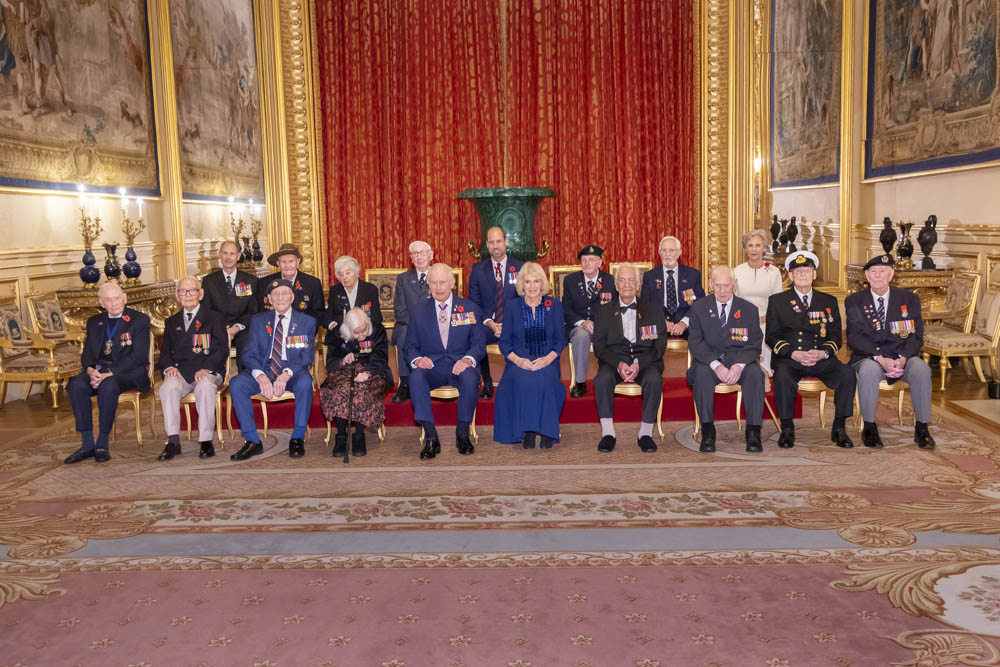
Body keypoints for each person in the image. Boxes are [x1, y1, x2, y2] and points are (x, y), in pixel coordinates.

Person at [766, 251, 855, 449]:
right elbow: (772, 336)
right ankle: (787, 428)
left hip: (821, 358)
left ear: (814, 274)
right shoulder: (778, 301)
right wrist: (793, 353)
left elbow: (834, 337)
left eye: (807, 270)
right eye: (798, 272)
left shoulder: (828, 301)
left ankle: (839, 427)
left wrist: (823, 353)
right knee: (781, 376)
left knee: (847, 373)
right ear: (790, 276)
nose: (803, 275)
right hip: (791, 359)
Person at [845, 254, 935, 450]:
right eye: (873, 272)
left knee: (921, 369)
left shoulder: (909, 299)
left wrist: (902, 359)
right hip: (870, 356)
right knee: (868, 372)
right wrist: (880, 358)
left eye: (882, 271)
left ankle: (922, 428)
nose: (878, 276)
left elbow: (916, 336)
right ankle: (869, 427)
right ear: (867, 277)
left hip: (903, 356)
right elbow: (854, 337)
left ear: (891, 274)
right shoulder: (854, 301)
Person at [229, 279, 317, 460]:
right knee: (237, 384)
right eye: (275, 294)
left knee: (305, 383)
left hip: (292, 370)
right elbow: (248, 353)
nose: (280, 297)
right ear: (269, 298)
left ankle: (297, 438)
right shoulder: (259, 320)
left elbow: (305, 357)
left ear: (292, 297)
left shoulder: (307, 322)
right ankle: (252, 441)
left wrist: (285, 375)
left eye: (284, 293)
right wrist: (260, 376)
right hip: (264, 368)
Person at [404, 263, 484, 460]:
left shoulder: (470, 308)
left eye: (442, 282)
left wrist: (467, 359)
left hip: (460, 364)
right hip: (432, 366)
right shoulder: (418, 311)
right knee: (415, 378)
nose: (438, 287)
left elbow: (479, 344)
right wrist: (418, 359)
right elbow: (410, 346)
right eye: (433, 283)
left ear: (452, 283)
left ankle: (463, 434)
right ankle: (431, 437)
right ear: (428, 285)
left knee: (469, 379)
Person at [65, 282, 151, 464]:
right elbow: (87, 352)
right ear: (101, 302)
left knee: (108, 385)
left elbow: (139, 356)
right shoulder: (94, 322)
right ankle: (87, 443)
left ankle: (102, 442)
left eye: (117, 298)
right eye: (108, 300)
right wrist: (89, 370)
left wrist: (110, 373)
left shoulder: (139, 320)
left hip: (128, 372)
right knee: (76, 385)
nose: (113, 303)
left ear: (125, 298)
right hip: (98, 370)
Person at [686, 265, 765, 453]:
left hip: (739, 361)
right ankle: (708, 432)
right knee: (702, 376)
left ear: (734, 285)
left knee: (755, 374)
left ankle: (753, 432)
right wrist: (716, 365)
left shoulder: (748, 309)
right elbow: (695, 342)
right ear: (711, 284)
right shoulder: (699, 308)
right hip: (708, 362)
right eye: (718, 285)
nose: (722, 291)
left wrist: (738, 365)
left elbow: (754, 343)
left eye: (726, 285)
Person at [592, 264, 668, 453]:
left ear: (638, 284)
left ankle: (645, 434)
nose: (627, 284)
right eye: (622, 280)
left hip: (645, 359)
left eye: (631, 280)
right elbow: (599, 346)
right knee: (602, 379)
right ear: (616, 285)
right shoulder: (603, 311)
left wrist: (638, 364)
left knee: (654, 379)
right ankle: (608, 433)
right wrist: (619, 364)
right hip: (615, 360)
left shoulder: (653, 309)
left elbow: (659, 345)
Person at [493, 261, 566, 449]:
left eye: (536, 281)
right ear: (521, 285)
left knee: (546, 379)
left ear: (542, 284)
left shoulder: (554, 305)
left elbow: (560, 340)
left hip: (547, 358)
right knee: (524, 379)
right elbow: (505, 342)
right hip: (519, 360)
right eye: (528, 282)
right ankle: (529, 431)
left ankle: (548, 430)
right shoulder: (512, 307)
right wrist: (519, 361)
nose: (532, 286)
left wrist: (547, 359)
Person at [156, 276, 229, 461]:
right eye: (182, 291)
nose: (187, 294)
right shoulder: (171, 322)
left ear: (201, 293)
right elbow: (164, 353)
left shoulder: (214, 317)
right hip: (181, 371)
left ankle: (206, 441)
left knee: (205, 386)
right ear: (177, 295)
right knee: (168, 387)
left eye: (192, 290)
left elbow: (222, 349)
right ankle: (173, 440)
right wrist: (169, 367)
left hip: (208, 370)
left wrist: (207, 367)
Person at [321, 307, 392, 458]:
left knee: (360, 390)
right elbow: (330, 363)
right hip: (343, 373)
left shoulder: (378, 331)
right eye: (356, 332)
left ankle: (359, 436)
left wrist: (367, 372)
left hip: (372, 372)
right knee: (341, 390)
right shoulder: (337, 334)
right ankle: (341, 436)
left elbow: (380, 357)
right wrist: (343, 360)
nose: (361, 336)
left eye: (363, 331)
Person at [468, 226, 523, 399]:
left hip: (513, 323)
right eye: (491, 242)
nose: (495, 246)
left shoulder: (520, 268)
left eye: (499, 241)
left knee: (523, 334)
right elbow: (474, 303)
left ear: (506, 242)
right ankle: (487, 382)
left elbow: (525, 301)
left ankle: (515, 381)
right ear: (486, 245)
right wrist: (490, 323)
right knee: (475, 335)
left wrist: (507, 324)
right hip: (488, 324)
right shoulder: (477, 270)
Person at [562, 244, 617, 398]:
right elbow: (566, 309)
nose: (587, 263)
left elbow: (615, 309)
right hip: (578, 326)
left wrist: (600, 325)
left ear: (600, 262)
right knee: (581, 335)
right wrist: (582, 323)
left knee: (616, 333)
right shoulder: (571, 281)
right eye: (584, 260)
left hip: (603, 325)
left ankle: (612, 380)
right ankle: (580, 383)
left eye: (591, 260)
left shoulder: (610, 281)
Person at [201, 240, 259, 368]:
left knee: (247, 342)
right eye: (225, 253)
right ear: (220, 255)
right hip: (217, 328)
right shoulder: (208, 281)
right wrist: (222, 329)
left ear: (238, 256)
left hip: (242, 328)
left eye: (232, 254)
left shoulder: (251, 281)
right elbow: (206, 310)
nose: (228, 257)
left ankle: (244, 380)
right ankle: (214, 378)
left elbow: (253, 311)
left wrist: (237, 328)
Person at [733, 229, 783, 374]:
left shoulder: (774, 272)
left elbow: (778, 302)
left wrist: (767, 318)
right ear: (745, 248)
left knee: (765, 329)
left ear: (764, 248)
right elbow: (733, 301)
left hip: (767, 320)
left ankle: (765, 373)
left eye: (757, 245)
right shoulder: (737, 271)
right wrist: (748, 318)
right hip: (742, 319)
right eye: (750, 245)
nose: (754, 249)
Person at [391, 240, 433, 403]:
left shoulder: (439, 274)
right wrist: (416, 326)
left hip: (434, 324)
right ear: (411, 257)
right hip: (408, 324)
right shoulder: (403, 279)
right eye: (415, 254)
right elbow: (399, 309)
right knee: (403, 336)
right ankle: (405, 383)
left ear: (431, 255)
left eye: (422, 252)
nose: (419, 257)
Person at [641, 235, 705, 337]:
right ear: (659, 252)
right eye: (664, 250)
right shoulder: (649, 277)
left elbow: (699, 303)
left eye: (671, 250)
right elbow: (645, 306)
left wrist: (684, 323)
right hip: (659, 329)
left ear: (679, 252)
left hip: (688, 328)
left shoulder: (693, 275)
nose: (667, 254)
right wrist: (661, 322)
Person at [322, 255, 381, 347]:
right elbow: (327, 316)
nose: (345, 277)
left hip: (363, 334)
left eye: (348, 273)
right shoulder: (335, 291)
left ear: (356, 273)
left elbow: (376, 317)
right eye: (341, 275)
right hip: (341, 336)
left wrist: (362, 329)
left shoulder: (369, 289)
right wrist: (333, 325)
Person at [259, 243, 325, 324]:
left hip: (302, 331)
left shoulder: (313, 283)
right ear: (278, 263)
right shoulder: (265, 283)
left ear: (298, 262)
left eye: (291, 261)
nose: (287, 265)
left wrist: (305, 330)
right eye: (283, 262)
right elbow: (260, 312)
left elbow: (318, 313)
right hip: (272, 331)